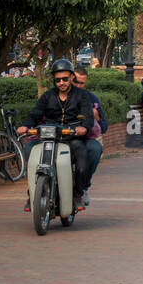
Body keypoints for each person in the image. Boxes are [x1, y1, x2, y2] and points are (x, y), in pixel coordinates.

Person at [18, 58, 93, 211]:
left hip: (71, 137)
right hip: (49, 136)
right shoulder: (47, 96)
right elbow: (35, 113)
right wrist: (25, 125)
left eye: (65, 79)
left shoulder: (82, 95)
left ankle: (77, 194)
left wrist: (83, 127)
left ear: (72, 77)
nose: (61, 83)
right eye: (58, 80)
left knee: (82, 156)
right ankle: (32, 194)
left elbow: (88, 116)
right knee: (29, 150)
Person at [73, 66, 106, 205]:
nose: (79, 85)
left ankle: (83, 186)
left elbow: (104, 127)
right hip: (60, 138)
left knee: (95, 149)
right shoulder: (55, 96)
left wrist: (96, 117)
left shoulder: (92, 99)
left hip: (85, 138)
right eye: (76, 81)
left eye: (82, 83)